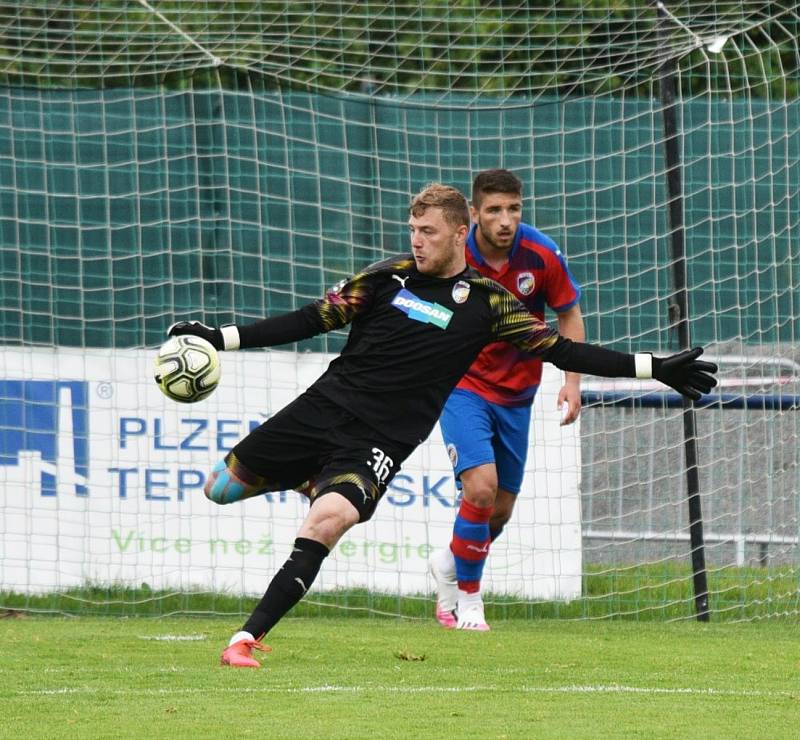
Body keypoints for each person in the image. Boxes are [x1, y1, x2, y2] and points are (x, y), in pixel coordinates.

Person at [168, 183, 717, 668]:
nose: (417, 240)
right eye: (413, 230)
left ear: (459, 233)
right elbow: (313, 318)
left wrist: (653, 367)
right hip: (318, 412)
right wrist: (221, 337)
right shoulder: (385, 279)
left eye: (428, 231)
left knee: (327, 523)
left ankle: (245, 638)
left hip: (376, 442)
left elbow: (560, 347)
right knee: (220, 489)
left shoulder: (487, 302)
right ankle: (306, 478)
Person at [430, 169, 584, 632]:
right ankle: (469, 603)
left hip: (518, 394)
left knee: (498, 511)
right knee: (479, 487)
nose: (505, 220)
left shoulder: (540, 254)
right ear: (473, 214)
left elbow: (568, 314)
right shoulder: (453, 255)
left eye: (513, 209)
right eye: (494, 210)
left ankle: (448, 565)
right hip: (463, 387)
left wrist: (571, 381)